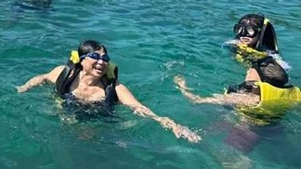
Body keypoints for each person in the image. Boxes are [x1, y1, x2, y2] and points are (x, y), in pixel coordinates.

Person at [17, 40, 200, 142]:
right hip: (66, 122)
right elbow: (42, 77)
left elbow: (140, 108)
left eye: (105, 58)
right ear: (81, 60)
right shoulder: (64, 74)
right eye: (95, 56)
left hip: (102, 128)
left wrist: (172, 125)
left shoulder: (115, 88)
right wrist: (24, 87)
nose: (101, 62)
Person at [174, 58, 300, 151]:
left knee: (224, 154)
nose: (248, 72)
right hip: (275, 128)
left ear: (258, 81)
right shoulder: (293, 94)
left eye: (250, 71)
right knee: (216, 126)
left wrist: (182, 86)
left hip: (246, 131)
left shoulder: (247, 99)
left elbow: (196, 100)